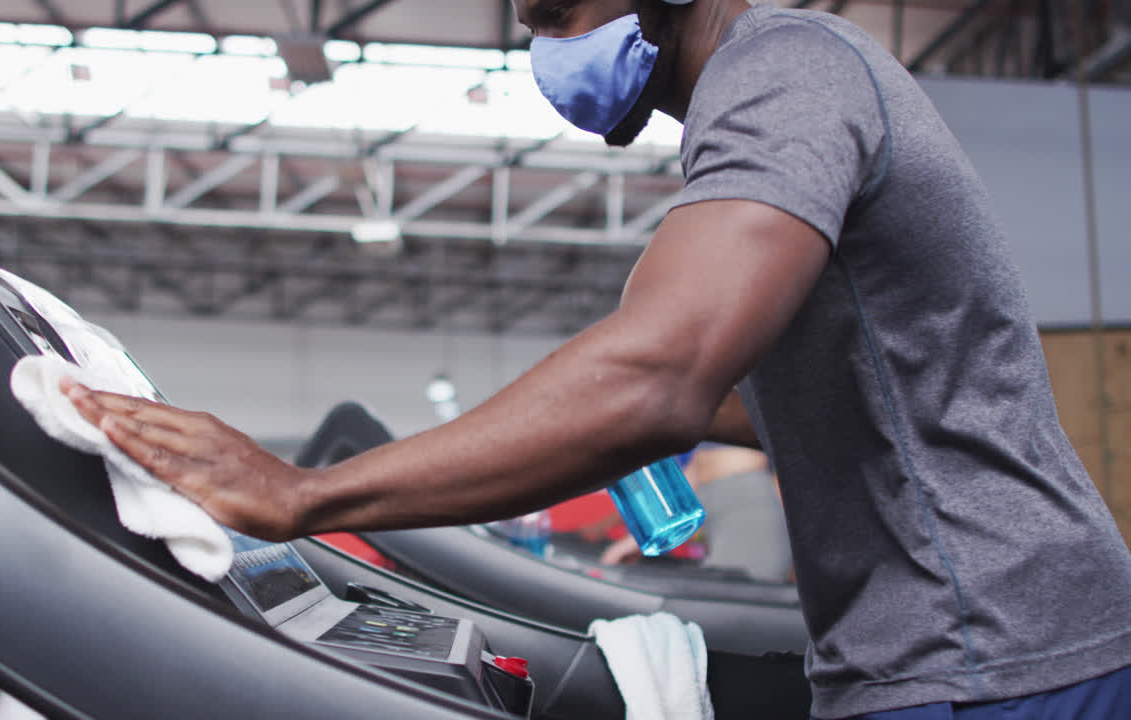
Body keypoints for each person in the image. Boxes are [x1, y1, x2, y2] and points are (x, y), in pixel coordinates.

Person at [61, 0, 1131, 717]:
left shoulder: (786, 74)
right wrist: (552, 424)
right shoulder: (755, 106)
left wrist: (305, 495)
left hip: (988, 649)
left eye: (560, 14)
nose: (545, 53)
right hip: (952, 643)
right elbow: (784, 394)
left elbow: (658, 381)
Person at [594, 444, 794, 584]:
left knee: (727, 604)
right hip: (715, 505)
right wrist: (639, 539)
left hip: (747, 505)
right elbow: (695, 472)